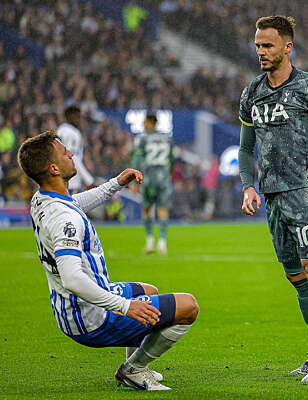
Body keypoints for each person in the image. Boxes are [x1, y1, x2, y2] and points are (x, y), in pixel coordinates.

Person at [18, 131, 198, 391]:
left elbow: (75, 203)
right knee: (188, 307)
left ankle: (137, 366)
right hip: (90, 317)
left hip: (69, 309)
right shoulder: (65, 220)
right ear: (54, 168)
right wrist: (125, 306)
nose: (71, 154)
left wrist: (115, 183)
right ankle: (132, 371)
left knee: (149, 291)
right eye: (64, 152)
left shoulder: (42, 199)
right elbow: (72, 278)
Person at [238, 15, 308, 383]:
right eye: (258, 45)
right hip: (271, 195)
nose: (261, 52)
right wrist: (248, 186)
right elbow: (245, 148)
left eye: (268, 45)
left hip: (306, 190)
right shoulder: (252, 92)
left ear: (288, 46)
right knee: (294, 275)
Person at [131, 113, 173, 254]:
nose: (143, 124)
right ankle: (162, 242)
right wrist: (169, 174)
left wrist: (133, 180)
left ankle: (149, 241)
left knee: (147, 208)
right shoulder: (167, 138)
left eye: (145, 122)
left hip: (149, 177)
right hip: (164, 177)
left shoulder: (142, 138)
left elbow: (137, 158)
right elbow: (172, 159)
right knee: (163, 209)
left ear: (150, 122)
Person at [57, 105, 94, 195]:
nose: (79, 120)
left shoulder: (60, 130)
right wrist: (89, 181)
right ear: (69, 118)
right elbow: (72, 158)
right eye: (77, 117)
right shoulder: (72, 133)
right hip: (71, 183)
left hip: (60, 181)